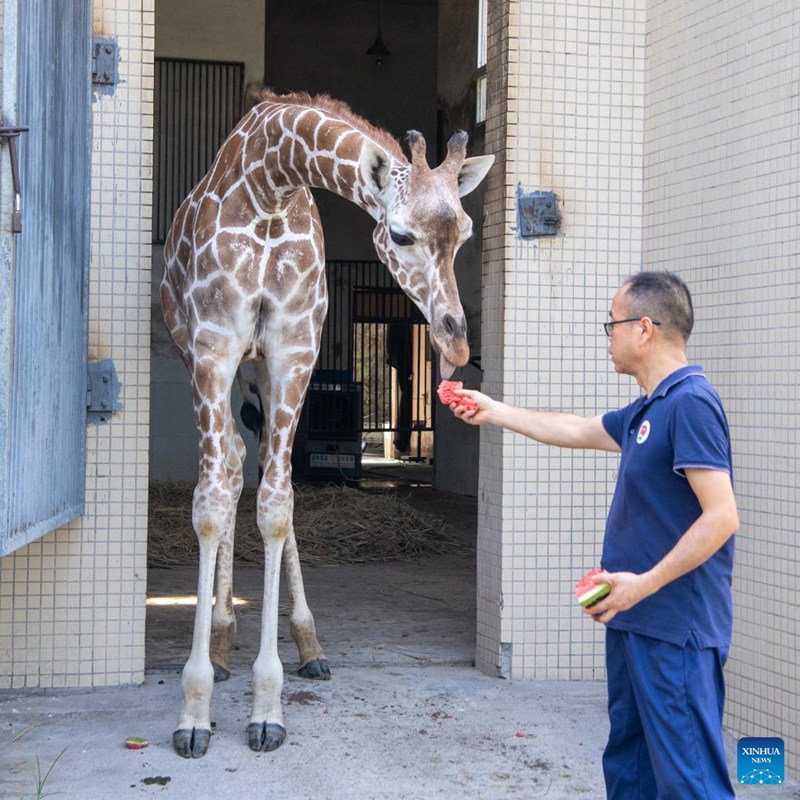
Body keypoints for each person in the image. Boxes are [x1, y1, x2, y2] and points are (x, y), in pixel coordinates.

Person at [447, 271, 738, 799]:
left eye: (613, 324)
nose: (608, 335)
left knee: (688, 781)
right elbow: (576, 429)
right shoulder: (648, 409)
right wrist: (493, 411)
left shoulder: (691, 403)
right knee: (630, 768)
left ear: (644, 328)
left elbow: (722, 517)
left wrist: (643, 584)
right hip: (633, 623)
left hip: (675, 631)